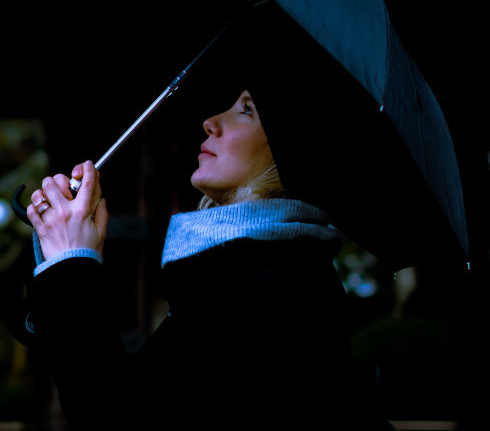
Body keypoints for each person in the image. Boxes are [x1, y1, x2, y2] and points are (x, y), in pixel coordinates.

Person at [23, 81, 394, 431]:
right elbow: (136, 391)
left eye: (247, 110)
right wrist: (63, 254)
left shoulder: (278, 288)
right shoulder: (258, 268)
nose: (211, 122)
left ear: (290, 145)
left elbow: (115, 418)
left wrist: (71, 265)